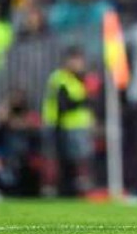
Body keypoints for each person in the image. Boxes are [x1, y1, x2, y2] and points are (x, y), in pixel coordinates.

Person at [41, 46, 94, 197]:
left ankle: (75, 189)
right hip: (62, 126)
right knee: (65, 160)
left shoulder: (79, 79)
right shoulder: (60, 78)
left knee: (76, 160)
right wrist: (84, 100)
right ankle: (55, 189)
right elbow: (63, 104)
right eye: (76, 60)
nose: (79, 64)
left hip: (76, 126)